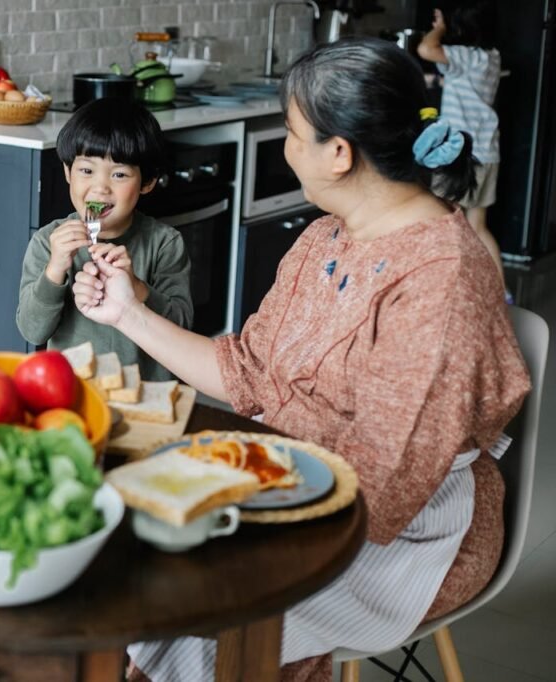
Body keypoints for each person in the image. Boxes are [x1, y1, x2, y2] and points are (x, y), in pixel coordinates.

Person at [73, 38, 530, 681]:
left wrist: (222, 508)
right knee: (110, 566)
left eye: (290, 132)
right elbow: (244, 373)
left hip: (402, 535)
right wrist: (127, 313)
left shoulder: (441, 279)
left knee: (191, 612)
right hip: (295, 478)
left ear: (338, 153)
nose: (287, 149)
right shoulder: (326, 236)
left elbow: (384, 485)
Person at [15, 97, 193, 381]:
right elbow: (32, 330)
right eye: (86, 170)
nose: (100, 188)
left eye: (119, 174)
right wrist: (55, 269)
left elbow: (181, 328)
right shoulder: (48, 242)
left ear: (147, 182)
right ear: (67, 173)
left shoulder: (165, 243)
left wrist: (136, 288)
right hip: (71, 389)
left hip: (143, 393)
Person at [417, 1, 505, 282]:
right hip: (488, 149)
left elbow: (424, 49)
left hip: (459, 153)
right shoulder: (491, 56)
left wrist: (438, 30)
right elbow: (463, 83)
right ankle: (500, 292)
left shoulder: (462, 55)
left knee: (440, 219)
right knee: (478, 226)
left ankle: (440, 283)